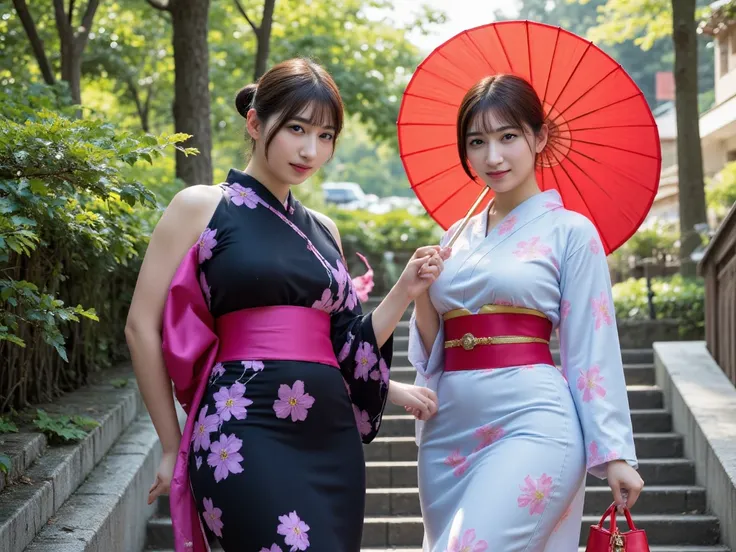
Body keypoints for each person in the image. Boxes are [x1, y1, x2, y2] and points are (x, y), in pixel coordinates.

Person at [125, 58, 445, 552]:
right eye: (297, 129)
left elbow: (345, 344)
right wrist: (171, 444)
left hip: (329, 437)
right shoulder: (201, 206)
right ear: (255, 123)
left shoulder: (324, 230)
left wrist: (403, 291)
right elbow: (141, 328)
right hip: (242, 428)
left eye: (325, 135)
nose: (310, 149)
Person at [398, 74, 645, 551]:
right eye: (478, 141)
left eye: (508, 136)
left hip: (532, 421)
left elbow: (591, 347)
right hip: (448, 432)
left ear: (539, 137)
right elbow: (434, 351)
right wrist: (423, 293)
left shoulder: (571, 232)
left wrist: (615, 452)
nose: (493, 156)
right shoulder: (453, 238)